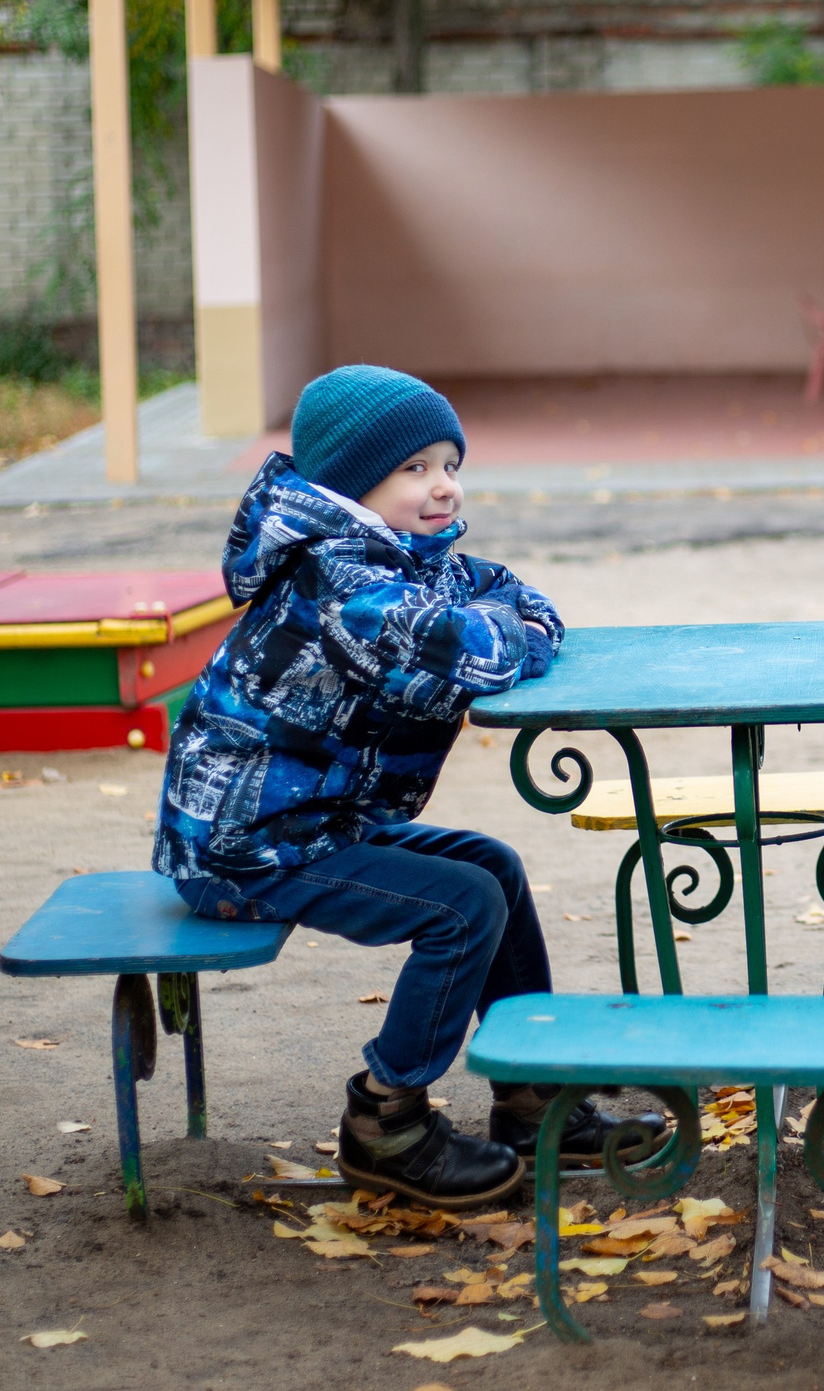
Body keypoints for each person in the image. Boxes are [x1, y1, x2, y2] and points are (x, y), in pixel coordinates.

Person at [154, 364, 663, 1208]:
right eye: (415, 468)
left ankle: (534, 1099)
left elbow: (514, 597)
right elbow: (480, 650)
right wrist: (509, 630)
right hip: (246, 847)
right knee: (460, 905)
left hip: (311, 822)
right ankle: (384, 1119)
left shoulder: (399, 559)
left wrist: (510, 623)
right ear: (351, 484)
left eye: (450, 464)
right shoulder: (343, 582)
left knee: (490, 867)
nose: (445, 487)